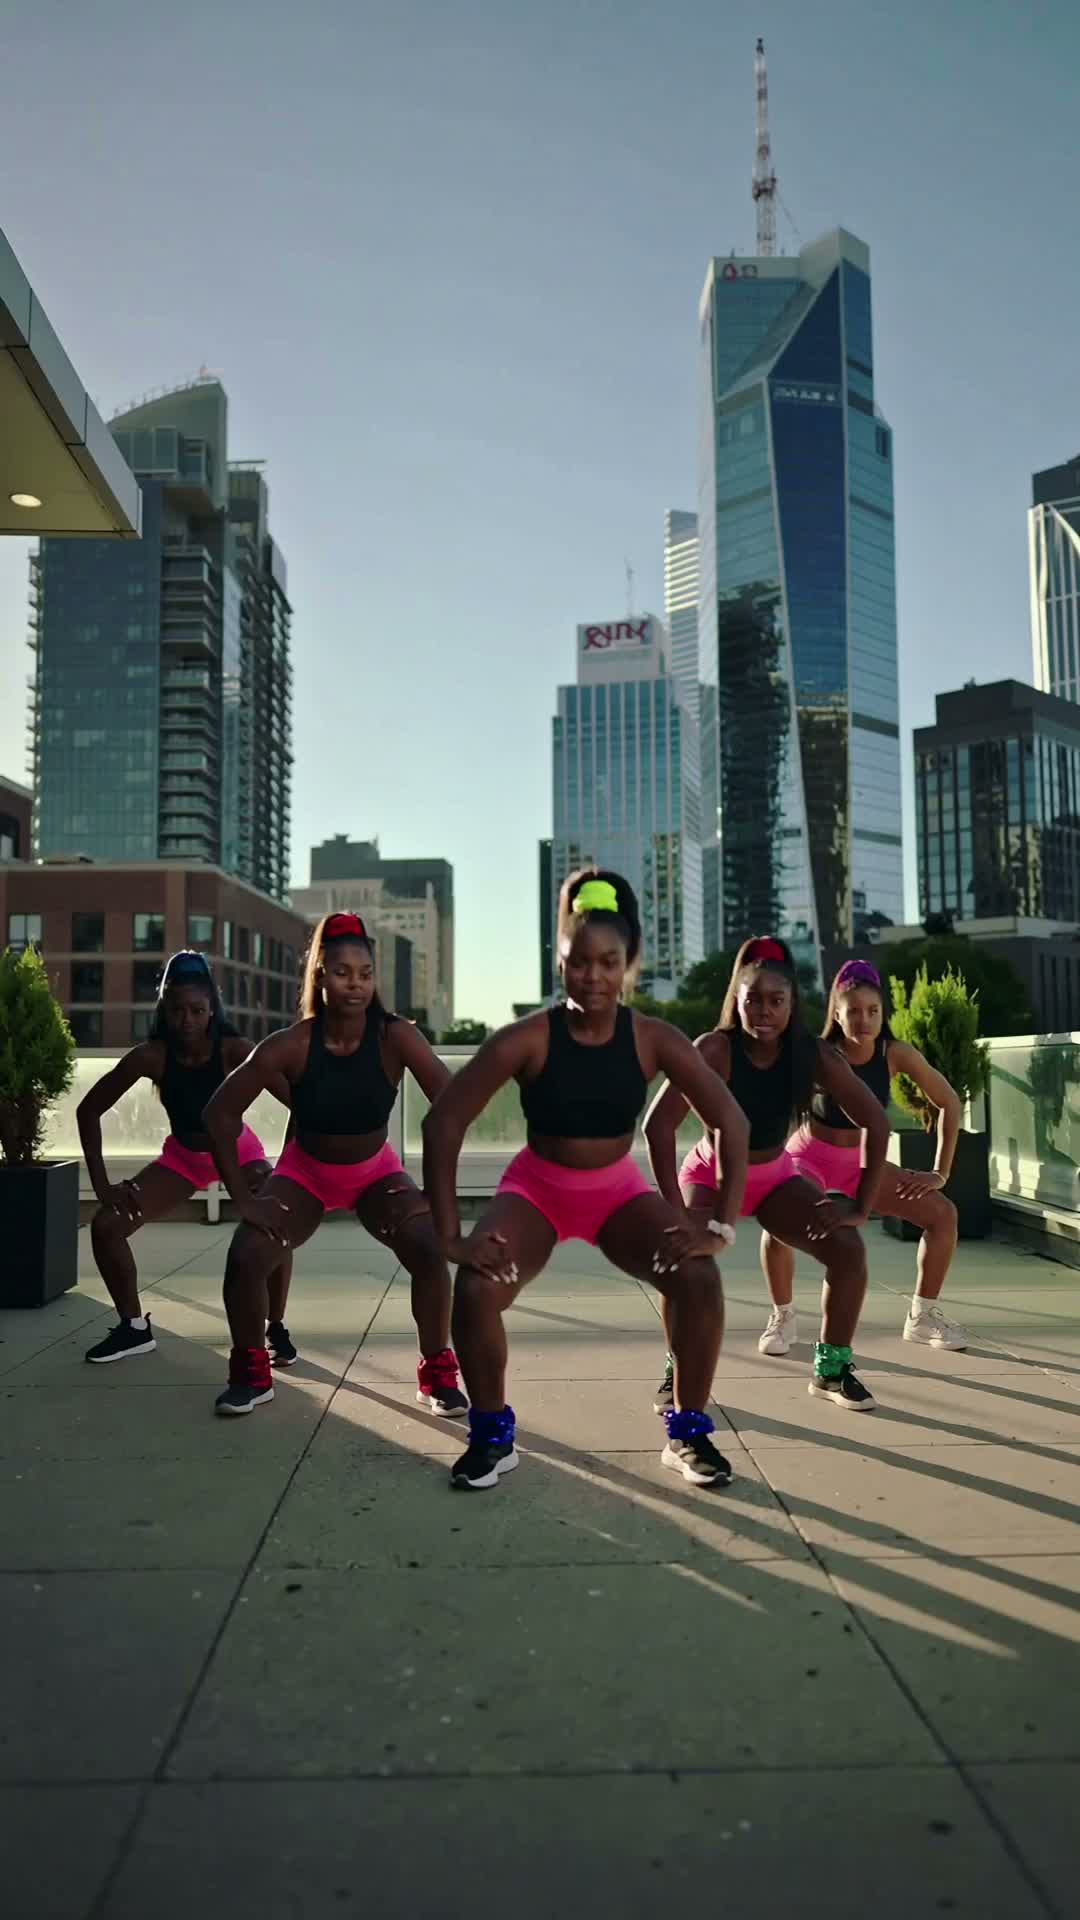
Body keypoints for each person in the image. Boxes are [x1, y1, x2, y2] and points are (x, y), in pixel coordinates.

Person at [422, 869, 750, 1492]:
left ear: (629, 965)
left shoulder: (653, 1039)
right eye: (578, 962)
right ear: (559, 960)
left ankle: (688, 1431)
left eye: (608, 963)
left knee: (698, 1276)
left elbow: (730, 1121)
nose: (592, 976)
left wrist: (720, 1228)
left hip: (615, 1193)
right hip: (537, 1191)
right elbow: (442, 1124)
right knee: (476, 1287)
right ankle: (491, 1435)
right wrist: (450, 1237)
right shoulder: (529, 1039)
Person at [203, 911, 468, 1418]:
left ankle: (436, 1372)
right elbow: (219, 1113)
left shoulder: (396, 1037)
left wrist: (436, 1191)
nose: (356, 984)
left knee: (430, 1249)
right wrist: (243, 1200)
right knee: (246, 1256)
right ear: (320, 975)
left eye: (365, 974)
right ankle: (251, 1372)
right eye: (343, 972)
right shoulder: (292, 1044)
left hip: (375, 1174)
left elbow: (453, 1105)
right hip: (305, 1174)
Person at [644, 936, 890, 1413]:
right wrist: (674, 1211)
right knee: (685, 1263)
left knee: (848, 1250)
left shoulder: (811, 1054)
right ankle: (678, 1369)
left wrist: (861, 1206)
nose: (763, 1011)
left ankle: (832, 1370)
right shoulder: (714, 1049)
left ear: (792, 1004)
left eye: (776, 1001)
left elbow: (876, 1122)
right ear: (736, 1000)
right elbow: (658, 1125)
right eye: (752, 999)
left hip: (774, 1177)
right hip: (712, 1175)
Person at [78, 950, 293, 1366]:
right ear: (165, 1009)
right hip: (184, 1158)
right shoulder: (151, 1056)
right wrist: (102, 1187)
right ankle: (133, 1329)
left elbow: (301, 1104)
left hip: (239, 1152)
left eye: (197, 1010)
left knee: (276, 1215)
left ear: (212, 1009)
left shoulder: (236, 1050)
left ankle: (276, 1327)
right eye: (177, 1010)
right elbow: (88, 1110)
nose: (187, 1020)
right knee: (106, 1226)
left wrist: (289, 1168)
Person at [760, 958, 966, 1352]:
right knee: (779, 1221)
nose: (863, 1020)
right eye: (853, 1010)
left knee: (943, 1215)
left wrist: (940, 1172)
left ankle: (922, 1317)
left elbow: (949, 1103)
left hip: (862, 1161)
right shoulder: (817, 1053)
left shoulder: (895, 1053)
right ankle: (782, 1317)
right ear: (836, 1014)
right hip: (809, 1155)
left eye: (872, 1010)